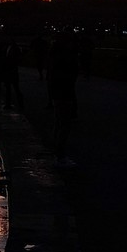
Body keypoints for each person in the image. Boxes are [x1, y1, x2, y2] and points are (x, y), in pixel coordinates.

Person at [47, 33, 79, 165]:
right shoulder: (65, 61)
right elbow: (69, 80)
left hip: (58, 94)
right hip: (65, 94)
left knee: (59, 123)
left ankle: (56, 152)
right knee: (64, 125)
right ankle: (60, 155)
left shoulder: (54, 59)